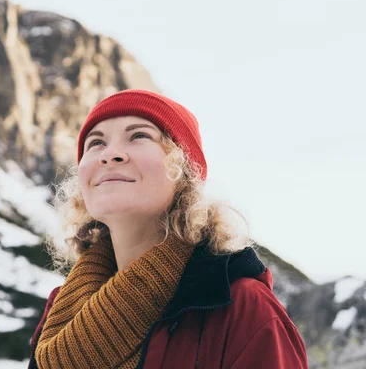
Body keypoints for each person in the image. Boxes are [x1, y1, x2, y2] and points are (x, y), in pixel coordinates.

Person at [28, 89, 308, 369]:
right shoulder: (61, 309)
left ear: (184, 171)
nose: (110, 154)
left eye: (139, 135)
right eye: (96, 143)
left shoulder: (243, 308)